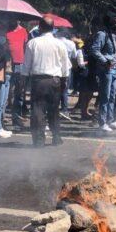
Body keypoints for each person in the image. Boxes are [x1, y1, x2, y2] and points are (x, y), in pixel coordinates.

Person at [22, 17, 69, 147]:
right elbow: (65, 67)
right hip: (55, 81)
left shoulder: (33, 43)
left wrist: (23, 81)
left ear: (40, 27)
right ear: (53, 28)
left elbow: (26, 66)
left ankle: (39, 140)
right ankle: (56, 137)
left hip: (38, 81)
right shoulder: (60, 44)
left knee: (38, 110)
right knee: (54, 110)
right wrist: (64, 81)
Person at [88, 11, 116, 132]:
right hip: (106, 70)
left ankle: (110, 120)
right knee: (105, 97)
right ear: (110, 22)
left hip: (114, 70)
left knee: (112, 96)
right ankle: (102, 122)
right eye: (115, 21)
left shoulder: (112, 35)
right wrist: (105, 61)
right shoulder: (101, 34)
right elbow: (94, 50)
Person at [6, 21, 28, 128]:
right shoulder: (5, 30)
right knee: (5, 92)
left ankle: (16, 118)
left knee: (19, 93)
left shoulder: (23, 31)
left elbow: (25, 47)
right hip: (7, 64)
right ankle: (0, 121)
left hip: (20, 64)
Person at [55, 28, 76, 121]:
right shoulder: (71, 43)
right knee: (65, 90)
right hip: (67, 67)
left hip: (55, 67)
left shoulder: (54, 42)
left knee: (55, 89)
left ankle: (54, 109)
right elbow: (74, 56)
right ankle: (64, 109)